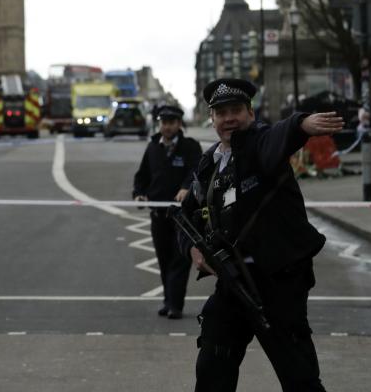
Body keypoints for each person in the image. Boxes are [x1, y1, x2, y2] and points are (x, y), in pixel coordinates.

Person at [178, 78, 343, 391]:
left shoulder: (258, 144)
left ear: (250, 114)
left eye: (237, 110)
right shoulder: (208, 164)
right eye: (221, 112)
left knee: (299, 376)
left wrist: (301, 124)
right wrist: (193, 251)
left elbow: (278, 136)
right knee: (212, 365)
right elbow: (186, 218)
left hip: (278, 281)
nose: (230, 118)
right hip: (233, 281)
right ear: (211, 118)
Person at [133, 104, 202, 320]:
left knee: (180, 259)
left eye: (172, 123)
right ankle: (168, 300)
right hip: (158, 214)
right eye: (164, 123)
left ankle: (176, 304)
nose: (167, 127)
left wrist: (185, 187)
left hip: (183, 216)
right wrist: (139, 193)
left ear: (179, 124)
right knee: (163, 259)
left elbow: (197, 170)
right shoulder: (153, 147)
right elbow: (142, 175)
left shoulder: (190, 146)